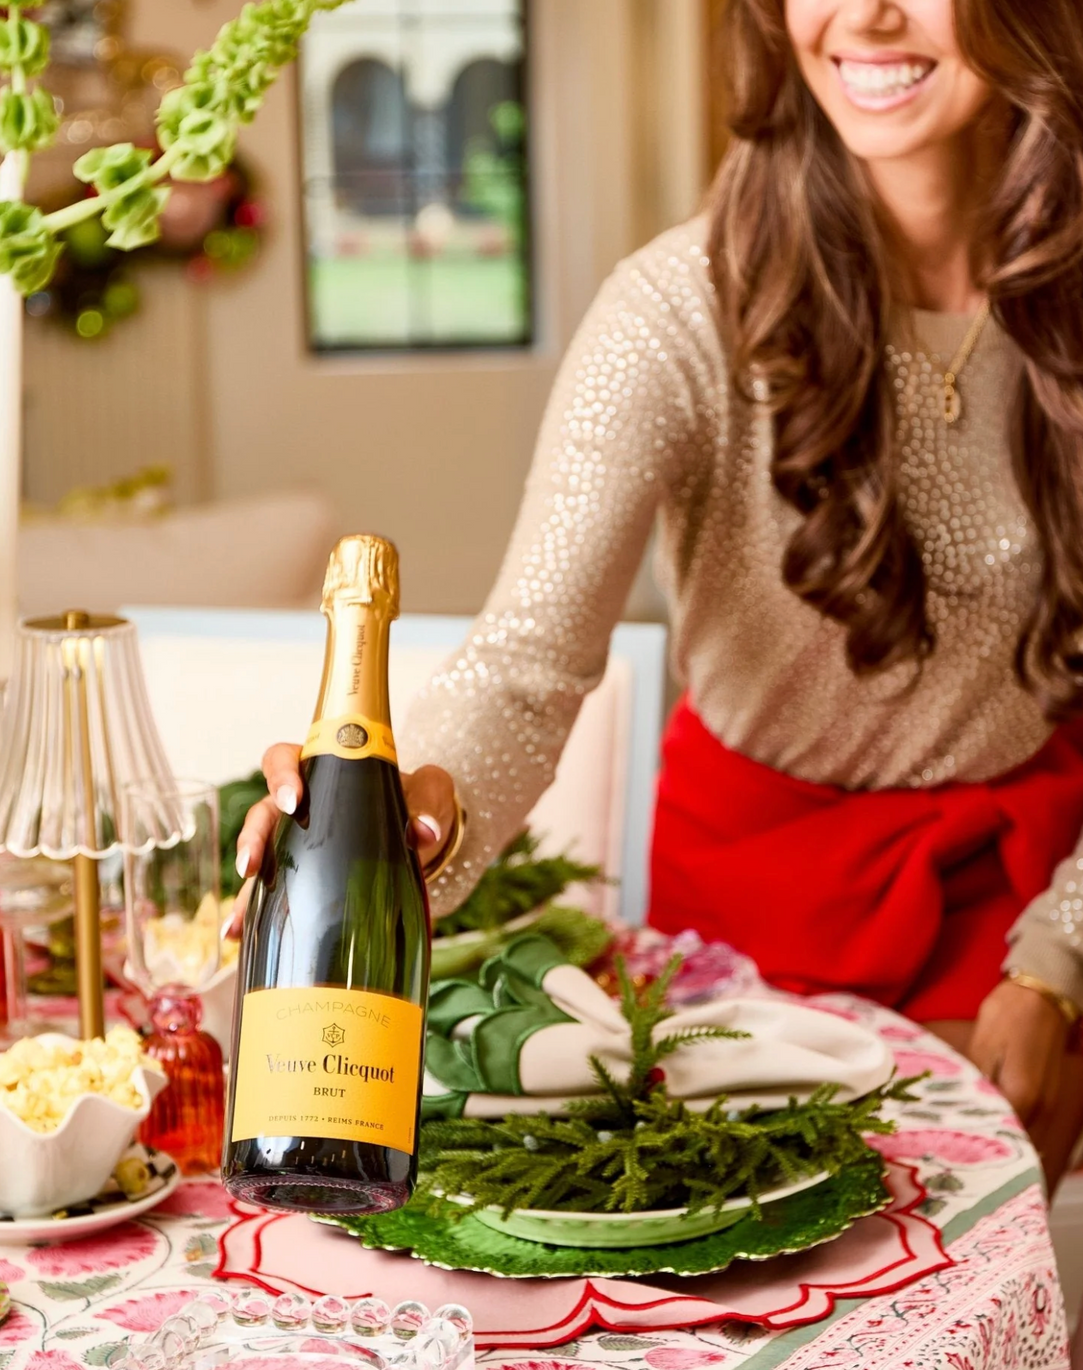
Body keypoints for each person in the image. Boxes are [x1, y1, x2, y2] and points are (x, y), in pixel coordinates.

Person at [236, 0, 1083, 1193]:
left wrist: (1057, 963)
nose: (871, 16)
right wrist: (407, 814)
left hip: (1025, 926)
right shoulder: (678, 308)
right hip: (743, 971)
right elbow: (526, 665)